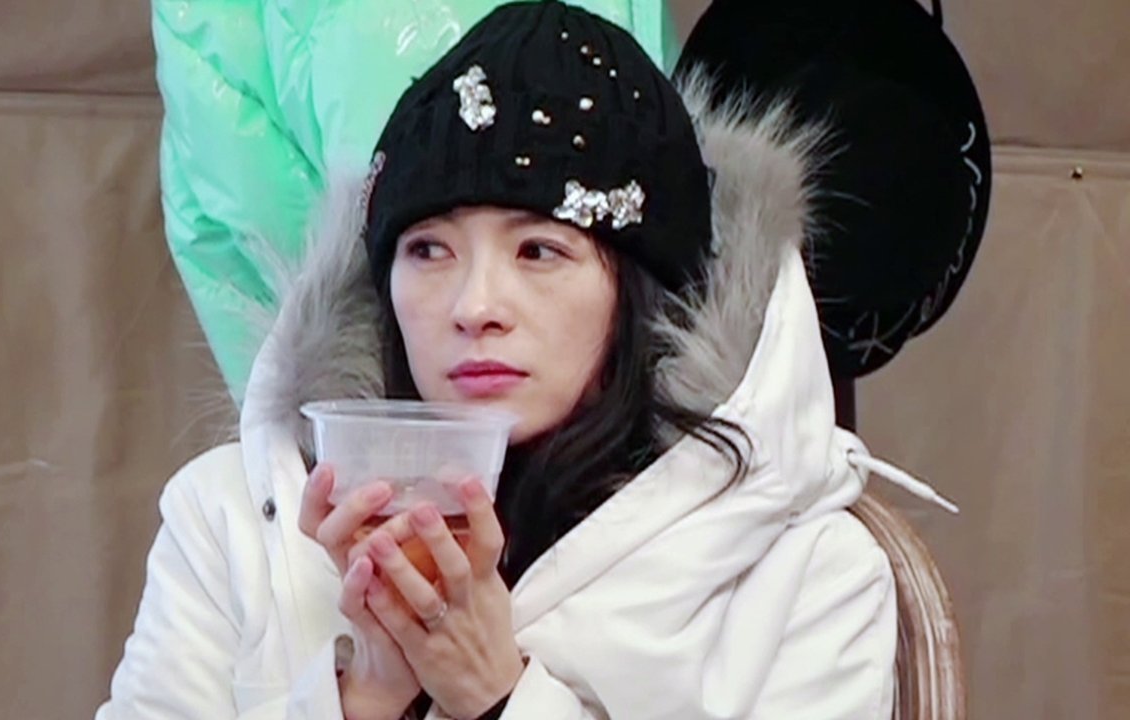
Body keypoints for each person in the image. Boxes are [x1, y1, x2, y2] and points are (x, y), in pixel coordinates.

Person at [99, 3, 910, 718]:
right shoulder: (229, 519)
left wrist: (499, 697)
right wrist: (366, 696)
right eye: (428, 249)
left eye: (538, 250)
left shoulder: (805, 577)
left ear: (639, 292)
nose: (474, 304)